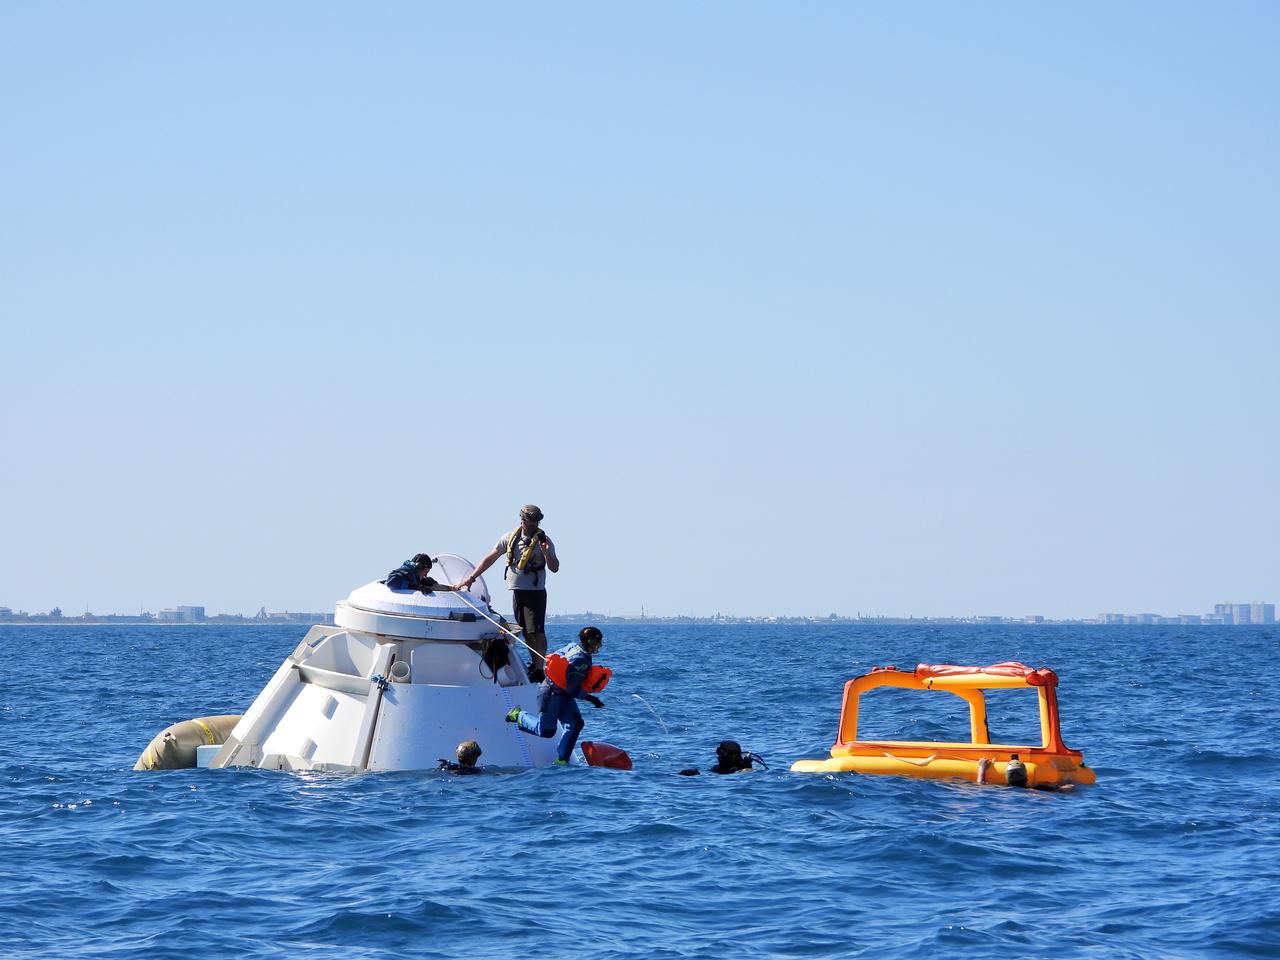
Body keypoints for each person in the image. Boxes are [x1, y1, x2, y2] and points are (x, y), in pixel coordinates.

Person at [455, 505, 559, 680]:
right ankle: (535, 666)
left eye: (536, 522)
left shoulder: (544, 540)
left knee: (537, 631)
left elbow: (555, 567)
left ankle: (540, 669)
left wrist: (546, 553)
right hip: (518, 591)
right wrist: (471, 578)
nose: (533, 525)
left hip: (536, 592)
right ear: (522, 521)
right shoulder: (510, 538)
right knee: (526, 631)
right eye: (530, 521)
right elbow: (490, 558)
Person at [504, 626, 605, 765]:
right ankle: (518, 715)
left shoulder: (574, 647)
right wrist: (591, 698)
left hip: (561, 692)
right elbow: (572, 689)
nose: (599, 645)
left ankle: (562, 760)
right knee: (545, 731)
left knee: (575, 724)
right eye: (598, 642)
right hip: (551, 693)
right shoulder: (581, 660)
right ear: (591, 642)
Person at [678, 741, 767, 776]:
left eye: (723, 753)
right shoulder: (718, 767)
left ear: (733, 756)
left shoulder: (741, 769)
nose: (719, 756)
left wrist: (748, 767)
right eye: (719, 752)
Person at [386, 554, 456, 593]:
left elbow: (434, 587)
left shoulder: (414, 576)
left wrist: (450, 588)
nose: (426, 575)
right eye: (426, 571)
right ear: (419, 567)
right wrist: (414, 587)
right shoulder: (405, 572)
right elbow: (391, 582)